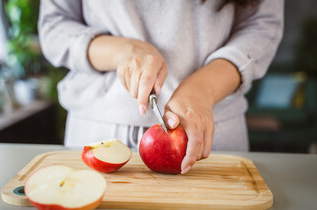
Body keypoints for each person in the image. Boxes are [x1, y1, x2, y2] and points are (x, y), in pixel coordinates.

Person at [38, 0, 283, 174]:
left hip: (211, 142)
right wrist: (120, 51)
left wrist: (204, 88)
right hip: (96, 133)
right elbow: (54, 25)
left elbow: (263, 24)